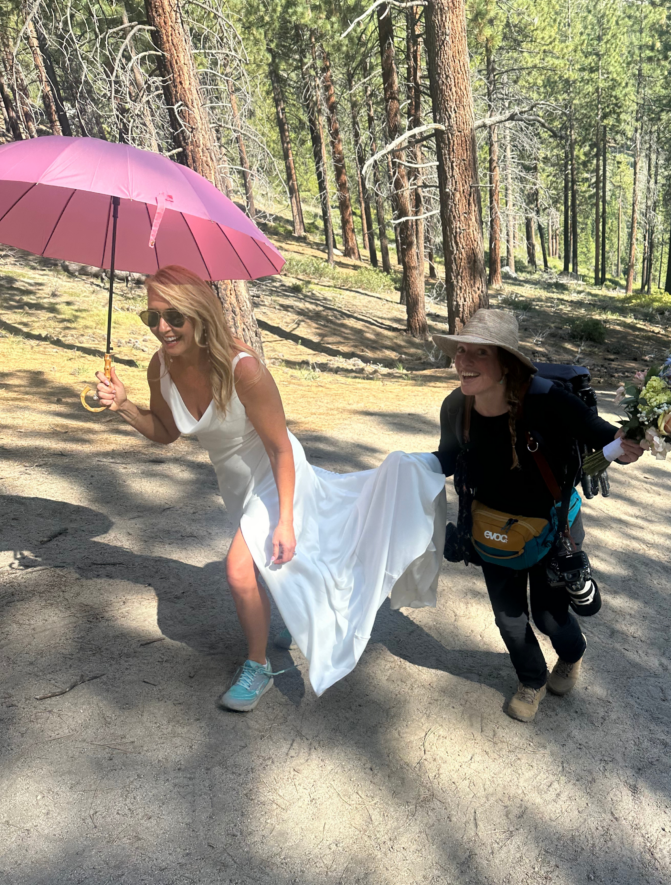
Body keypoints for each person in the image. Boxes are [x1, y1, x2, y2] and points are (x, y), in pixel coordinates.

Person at [95, 265, 445, 709]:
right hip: (236, 481)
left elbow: (281, 449)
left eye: (174, 317)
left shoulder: (244, 368)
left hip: (277, 472)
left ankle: (259, 666)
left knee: (240, 568)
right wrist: (123, 405)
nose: (162, 328)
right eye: (152, 318)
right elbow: (165, 431)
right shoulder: (160, 366)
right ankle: (301, 616)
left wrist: (284, 520)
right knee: (273, 564)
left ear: (200, 314)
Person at [432, 309, 643, 723]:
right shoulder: (456, 406)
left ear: (506, 363)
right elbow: (446, 459)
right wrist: (393, 474)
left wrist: (630, 442)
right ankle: (532, 679)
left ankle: (572, 654)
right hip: (493, 529)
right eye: (461, 351)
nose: (464, 361)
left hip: (554, 526)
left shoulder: (549, 402)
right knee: (509, 620)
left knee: (550, 616)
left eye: (479, 353)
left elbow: (604, 439)